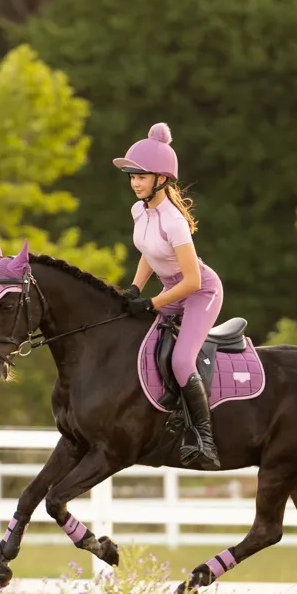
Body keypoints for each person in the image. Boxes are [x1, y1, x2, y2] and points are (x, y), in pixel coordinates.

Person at [113, 123, 223, 470]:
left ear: (161, 179)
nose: (135, 183)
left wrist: (151, 303)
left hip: (200, 291)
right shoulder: (139, 211)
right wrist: (135, 288)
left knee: (180, 360)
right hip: (169, 289)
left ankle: (205, 439)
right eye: (132, 177)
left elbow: (191, 281)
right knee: (137, 338)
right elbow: (148, 252)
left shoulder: (173, 221)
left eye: (141, 177)